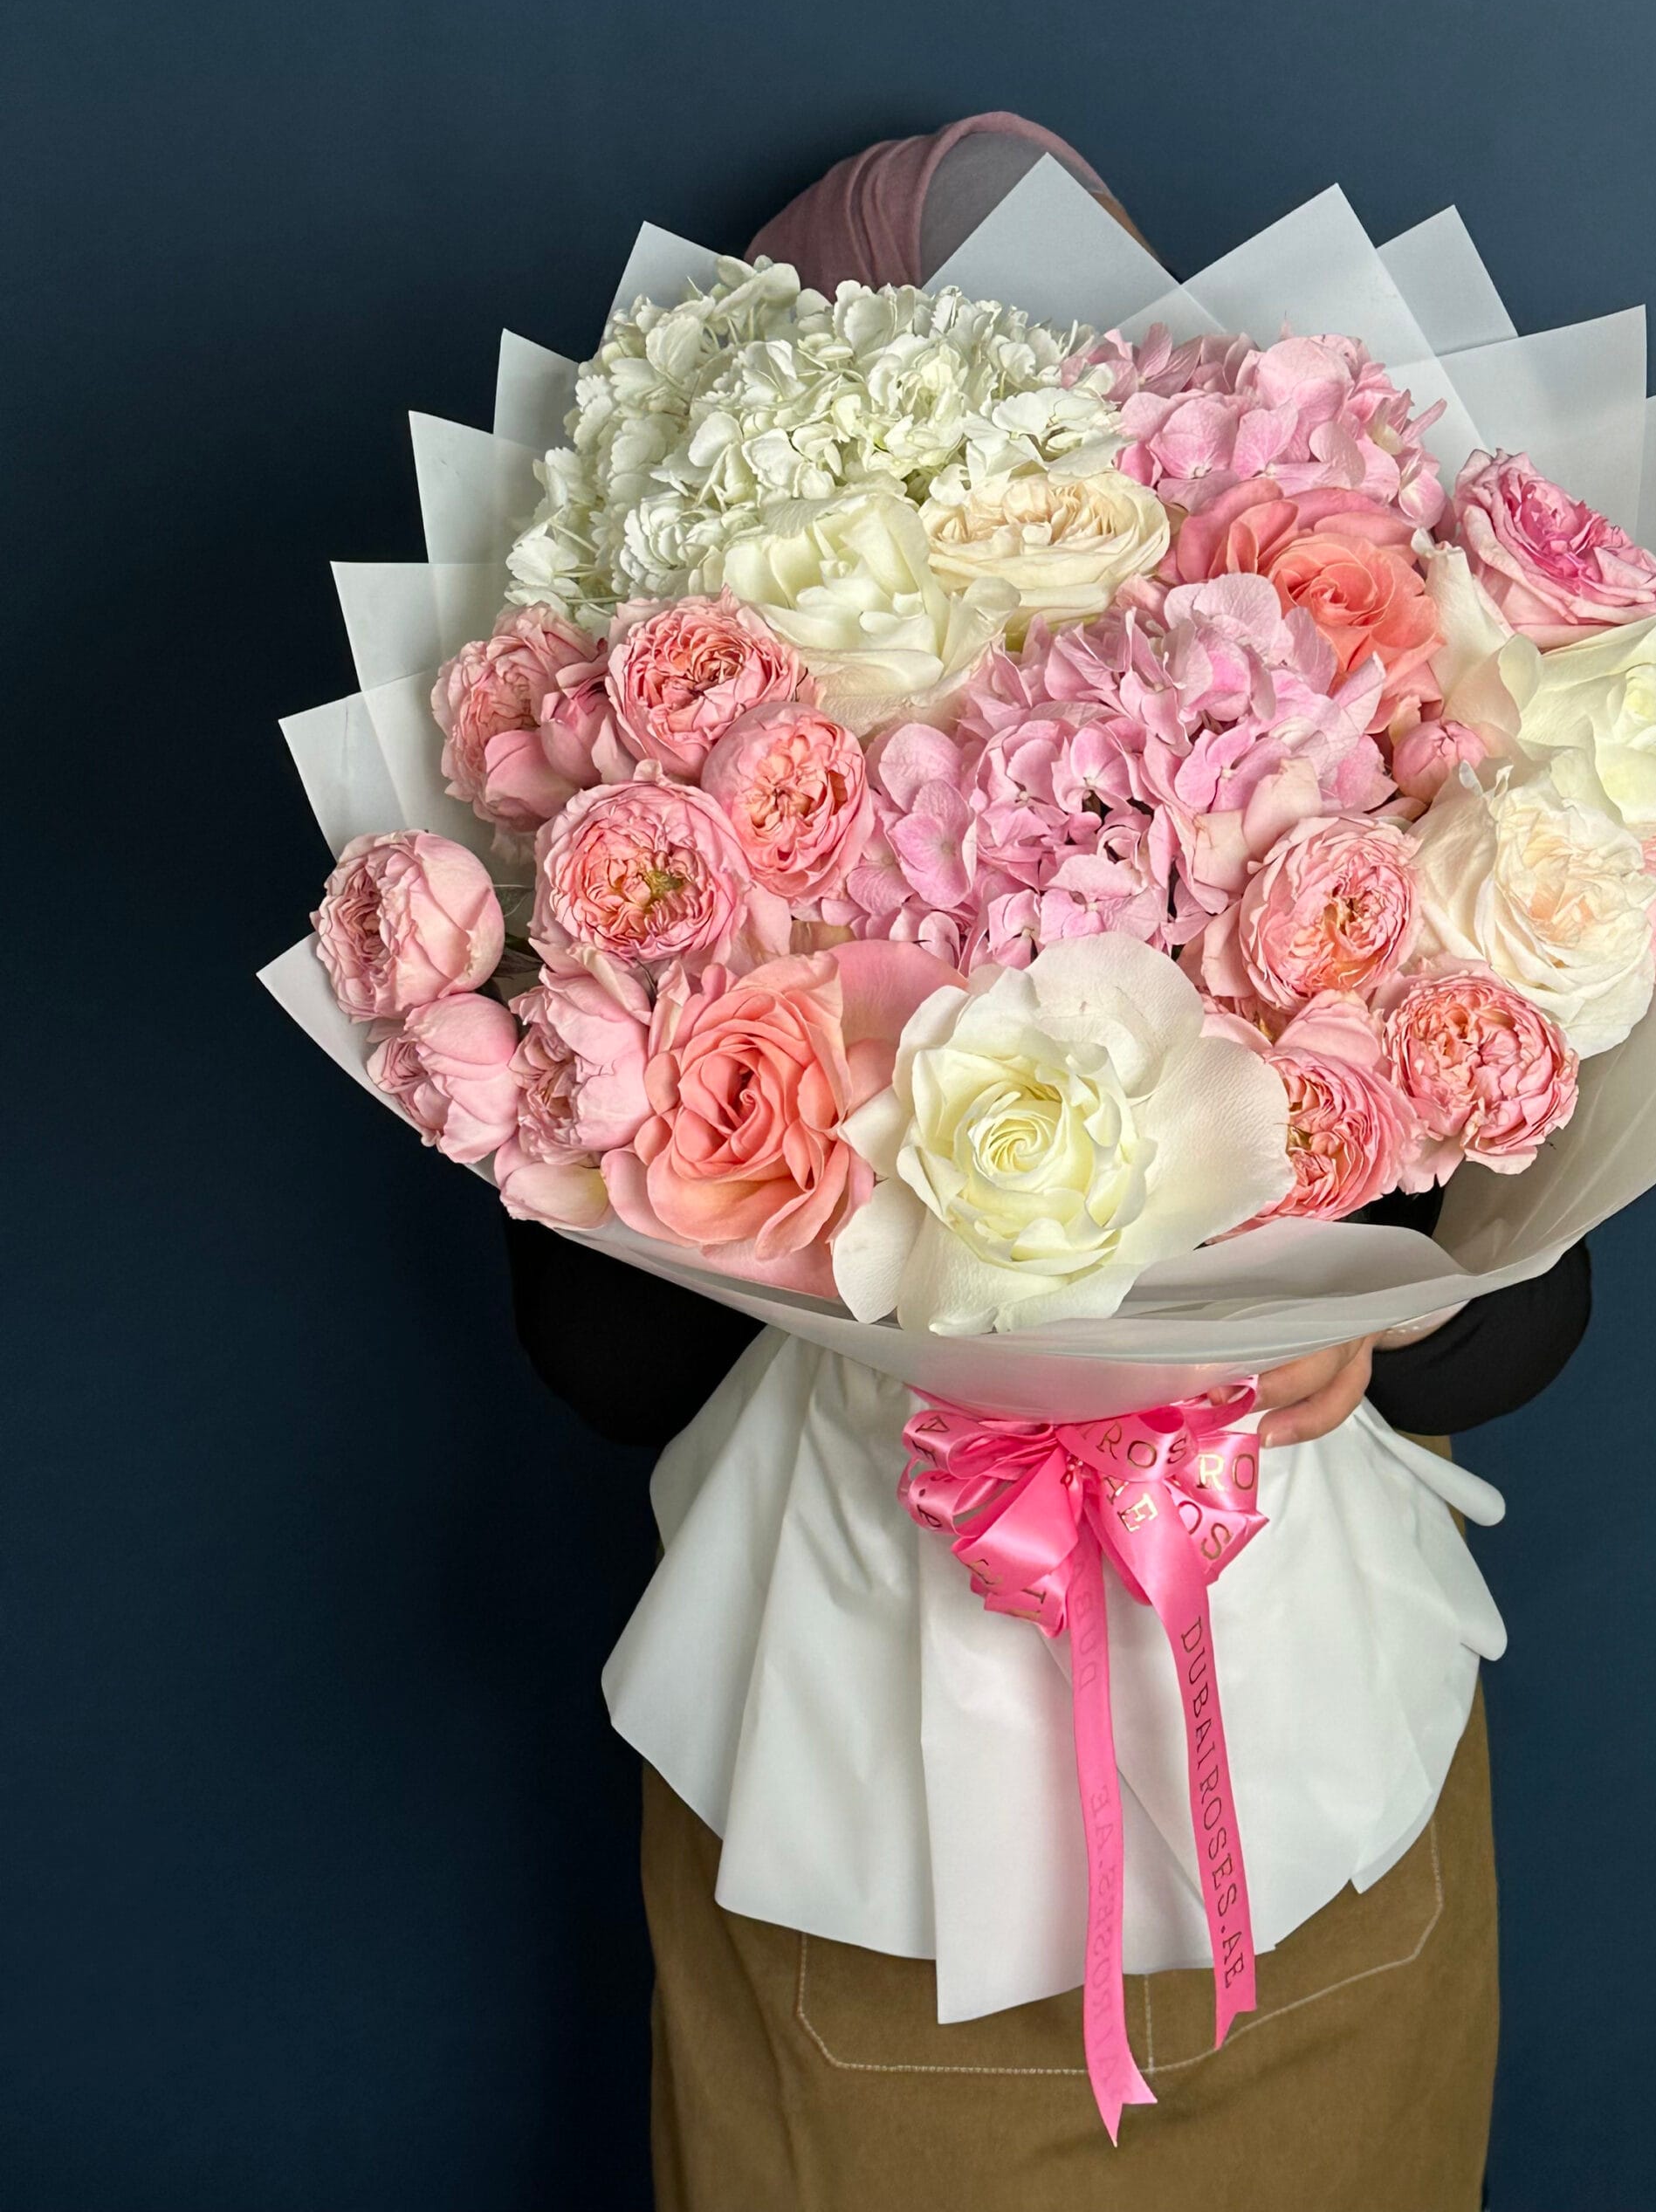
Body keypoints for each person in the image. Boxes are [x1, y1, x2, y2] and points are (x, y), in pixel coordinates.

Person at [506, 115, 1593, 2212]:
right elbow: (593, 1342)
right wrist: (841, 1269)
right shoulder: (695, 855)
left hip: (1318, 1811)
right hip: (869, 1835)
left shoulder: (1324, 790)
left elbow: (1532, 1294)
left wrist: (1360, 1327)